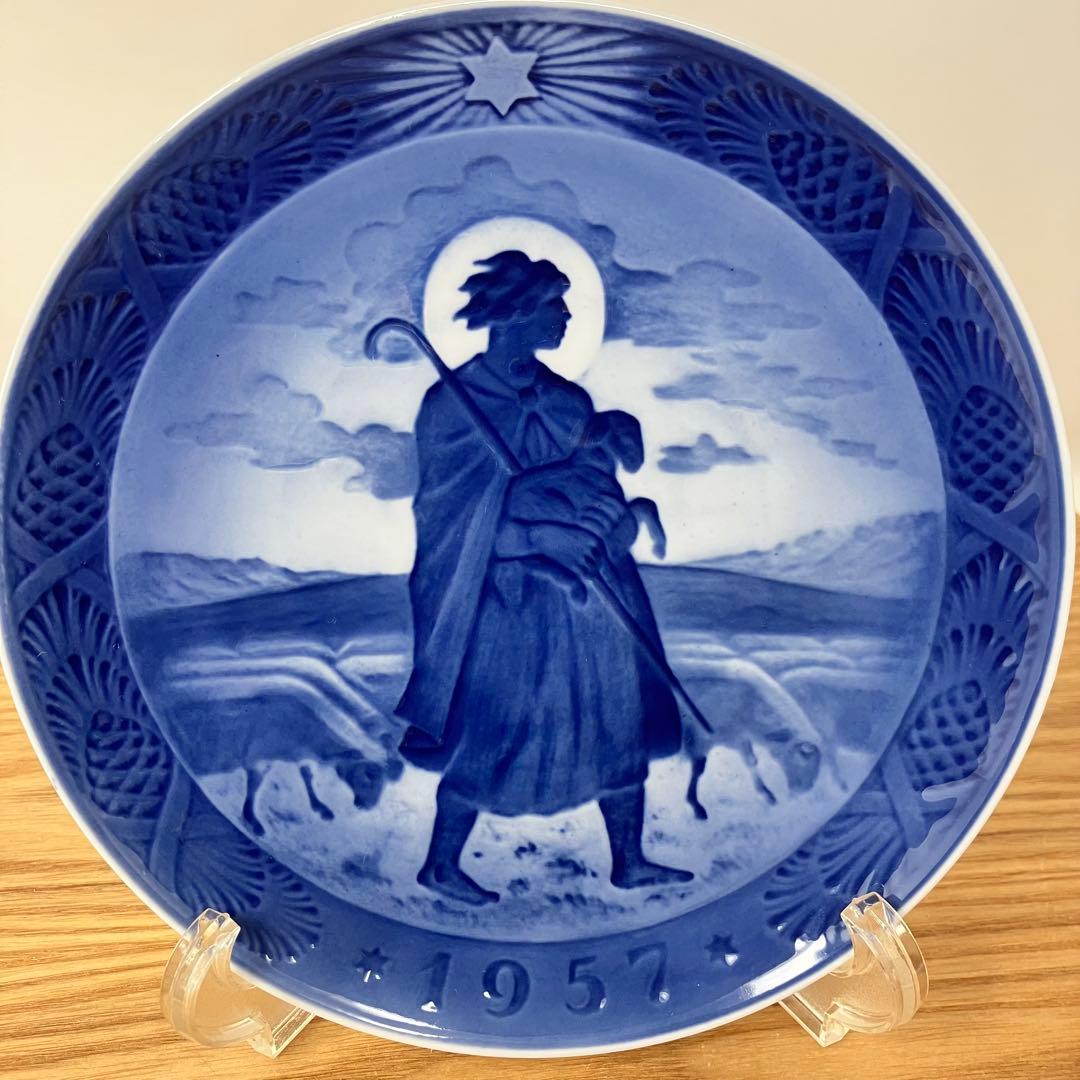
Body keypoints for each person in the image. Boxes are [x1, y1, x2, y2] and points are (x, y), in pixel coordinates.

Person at [396, 250, 692, 906]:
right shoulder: (450, 407)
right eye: (554, 306)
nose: (564, 318)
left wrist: (605, 532)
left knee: (616, 718)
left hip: (592, 598)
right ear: (516, 313)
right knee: (495, 728)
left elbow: (597, 490)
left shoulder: (569, 403)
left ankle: (630, 860)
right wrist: (528, 533)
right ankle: (440, 864)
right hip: (510, 599)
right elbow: (448, 518)